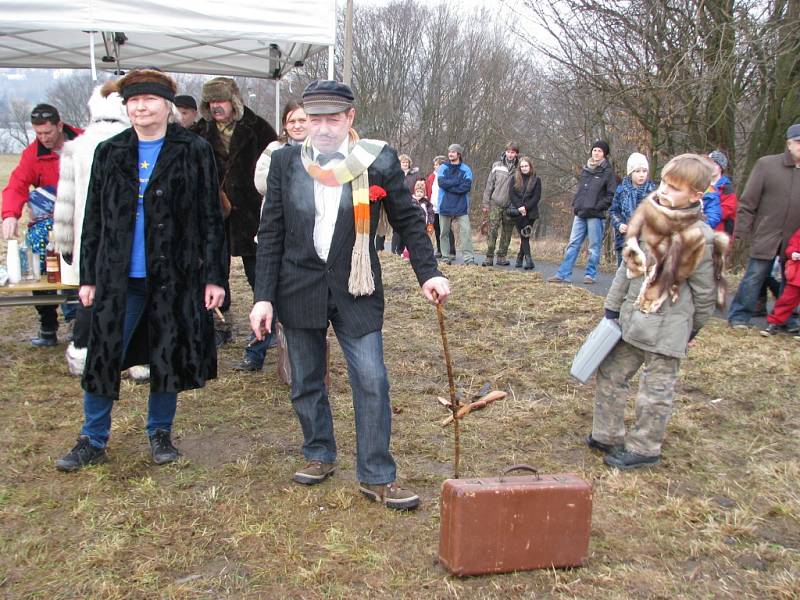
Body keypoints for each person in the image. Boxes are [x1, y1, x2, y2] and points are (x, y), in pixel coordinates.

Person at [249, 80, 450, 510]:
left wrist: (428, 273)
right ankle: (319, 452)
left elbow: (409, 221)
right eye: (314, 119)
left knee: (372, 380)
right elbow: (270, 234)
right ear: (303, 119)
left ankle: (377, 474)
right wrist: (262, 296)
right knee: (305, 380)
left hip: (357, 288)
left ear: (350, 118)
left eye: (332, 119)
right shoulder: (286, 162)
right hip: (298, 285)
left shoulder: (375, 161)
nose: (322, 128)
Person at [54, 69, 226, 472]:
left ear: (166, 105)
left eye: (148, 100)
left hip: (175, 276)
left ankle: (160, 432)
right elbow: (93, 218)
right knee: (102, 354)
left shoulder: (193, 150)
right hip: (118, 277)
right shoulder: (110, 151)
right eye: (132, 101)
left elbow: (210, 218)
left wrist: (214, 276)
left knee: (165, 354)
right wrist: (89, 277)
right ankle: (92, 438)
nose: (140, 107)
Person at [589, 154, 725, 470]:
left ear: (695, 195)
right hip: (633, 320)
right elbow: (628, 266)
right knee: (610, 372)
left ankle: (644, 447)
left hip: (669, 328)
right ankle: (606, 434)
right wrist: (612, 308)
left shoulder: (700, 238)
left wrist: (694, 329)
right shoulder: (649, 217)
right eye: (663, 182)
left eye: (675, 188)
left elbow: (706, 293)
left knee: (655, 392)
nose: (664, 190)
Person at [192, 77, 277, 347]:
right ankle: (219, 325)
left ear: (234, 101)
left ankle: (267, 323)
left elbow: (273, 170)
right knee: (215, 272)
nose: (216, 106)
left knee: (258, 272)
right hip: (212, 215)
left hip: (252, 214)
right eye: (211, 102)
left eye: (221, 100)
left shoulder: (258, 129)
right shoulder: (199, 133)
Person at [52, 85, 130, 376]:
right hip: (121, 232)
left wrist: (66, 244)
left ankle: (83, 350)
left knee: (90, 294)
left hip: (88, 233)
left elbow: (65, 201)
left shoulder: (78, 145)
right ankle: (132, 359)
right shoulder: (129, 144)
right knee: (127, 294)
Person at [232, 100, 308, 372]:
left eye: (302, 120)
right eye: (292, 121)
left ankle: (298, 360)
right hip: (275, 236)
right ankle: (255, 352)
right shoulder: (274, 150)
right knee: (266, 296)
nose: (297, 125)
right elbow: (261, 183)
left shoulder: (322, 152)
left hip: (306, 242)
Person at [2, 103, 83, 346]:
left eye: (47, 132)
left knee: (76, 266)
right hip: (49, 222)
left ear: (60, 125)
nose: (43, 138)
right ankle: (47, 324)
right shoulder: (32, 154)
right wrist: (10, 214)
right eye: (38, 134)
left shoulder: (83, 142)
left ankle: (76, 319)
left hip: (82, 218)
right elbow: (16, 184)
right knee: (39, 261)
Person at [728, 124, 800, 330]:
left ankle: (788, 319)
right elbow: (748, 203)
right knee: (754, 276)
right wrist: (742, 233)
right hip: (767, 233)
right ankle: (739, 316)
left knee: (793, 282)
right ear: (789, 143)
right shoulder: (767, 165)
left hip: (794, 240)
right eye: (798, 142)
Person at [548, 140, 616, 284]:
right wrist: (576, 205)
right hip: (580, 213)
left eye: (599, 151)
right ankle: (563, 274)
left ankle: (590, 274)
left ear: (604, 154)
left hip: (596, 215)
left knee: (594, 247)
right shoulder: (586, 169)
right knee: (573, 244)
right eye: (594, 150)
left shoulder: (608, 172)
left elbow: (611, 195)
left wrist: (598, 207)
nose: (596, 153)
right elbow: (581, 191)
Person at [608, 152, 656, 267]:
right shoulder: (621, 190)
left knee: (642, 274)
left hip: (645, 240)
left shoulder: (652, 191)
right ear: (630, 173)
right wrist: (619, 224)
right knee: (623, 273)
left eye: (644, 171)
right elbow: (614, 211)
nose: (641, 175)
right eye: (637, 171)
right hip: (624, 239)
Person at [482, 142, 519, 267]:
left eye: (512, 152)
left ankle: (502, 256)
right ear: (505, 152)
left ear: (516, 154)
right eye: (508, 151)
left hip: (510, 205)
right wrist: (486, 203)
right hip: (495, 202)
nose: (510, 154)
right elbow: (489, 185)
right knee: (492, 230)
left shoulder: (519, 168)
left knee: (507, 232)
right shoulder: (496, 165)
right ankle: (489, 256)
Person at [437, 143, 475, 265]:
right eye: (449, 152)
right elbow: (442, 183)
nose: (450, 154)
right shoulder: (443, 168)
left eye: (453, 152)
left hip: (461, 205)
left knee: (466, 231)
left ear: (458, 154)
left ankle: (469, 259)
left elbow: (466, 187)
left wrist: (451, 186)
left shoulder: (466, 169)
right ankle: (445, 257)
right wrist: (457, 183)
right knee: (444, 232)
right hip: (445, 204)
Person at [760, 225, 800, 337]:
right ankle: (774, 323)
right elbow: (791, 247)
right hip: (796, 276)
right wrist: (793, 254)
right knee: (785, 301)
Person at [506, 156, 541, 270]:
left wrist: (526, 207)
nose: (524, 168)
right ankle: (528, 259)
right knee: (524, 235)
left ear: (530, 166)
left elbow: (536, 197)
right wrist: (520, 207)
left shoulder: (536, 179)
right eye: (522, 166)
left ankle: (520, 258)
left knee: (525, 234)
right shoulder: (514, 178)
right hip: (518, 212)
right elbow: (512, 194)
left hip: (531, 212)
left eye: (526, 166)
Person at [390, 154, 420, 255]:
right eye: (403, 162)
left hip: (410, 202)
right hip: (396, 202)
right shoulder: (395, 174)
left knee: (406, 227)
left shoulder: (415, 175)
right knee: (396, 228)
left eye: (406, 162)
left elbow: (418, 187)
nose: (405, 164)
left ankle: (401, 250)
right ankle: (393, 251)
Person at [426, 155, 453, 259]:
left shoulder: (448, 175)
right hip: (434, 206)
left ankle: (451, 250)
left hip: (445, 206)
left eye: (437, 165)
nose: (435, 167)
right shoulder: (432, 176)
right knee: (437, 228)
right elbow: (429, 191)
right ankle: (439, 249)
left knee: (446, 229)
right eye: (435, 165)